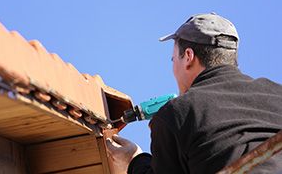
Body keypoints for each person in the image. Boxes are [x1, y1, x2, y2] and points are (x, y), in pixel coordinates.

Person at [106, 13, 282, 174]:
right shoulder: (277, 92)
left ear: (188, 57)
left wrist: (134, 160)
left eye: (173, 59)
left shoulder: (176, 113)